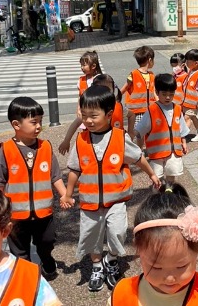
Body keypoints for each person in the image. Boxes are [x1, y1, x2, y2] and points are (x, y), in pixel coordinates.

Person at [61, 83, 161, 292]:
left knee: (117, 232)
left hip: (116, 199)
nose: (88, 121)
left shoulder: (119, 137)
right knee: (92, 235)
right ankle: (97, 266)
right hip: (89, 202)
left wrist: (151, 173)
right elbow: (74, 169)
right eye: (85, 115)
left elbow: (138, 158)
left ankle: (112, 259)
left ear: (108, 115)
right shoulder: (81, 140)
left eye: (93, 116)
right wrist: (68, 194)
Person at [0, 96, 65, 278]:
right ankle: (27, 277)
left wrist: (64, 194)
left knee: (46, 242)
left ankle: (47, 260)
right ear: (16, 124)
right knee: (20, 250)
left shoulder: (45, 147)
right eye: (34, 122)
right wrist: (0, 208)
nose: (39, 126)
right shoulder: (7, 149)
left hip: (44, 212)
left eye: (40, 121)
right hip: (16, 214)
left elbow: (54, 175)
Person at [134, 72, 190, 189]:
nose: (168, 97)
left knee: (172, 172)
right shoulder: (152, 110)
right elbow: (140, 131)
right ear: (157, 92)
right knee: (157, 175)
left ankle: (169, 189)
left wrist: (183, 142)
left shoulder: (177, 108)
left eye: (171, 94)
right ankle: (157, 194)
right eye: (164, 94)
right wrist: (139, 148)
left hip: (174, 150)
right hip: (156, 152)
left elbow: (181, 129)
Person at [58, 73, 125, 155]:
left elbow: (130, 114)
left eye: (107, 90)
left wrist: (131, 132)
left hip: (115, 144)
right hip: (93, 144)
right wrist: (66, 140)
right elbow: (75, 123)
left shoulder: (118, 106)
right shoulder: (90, 110)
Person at [120, 44, 156, 137]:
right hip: (136, 111)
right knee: (138, 133)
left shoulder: (151, 75)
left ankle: (144, 149)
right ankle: (136, 149)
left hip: (149, 109)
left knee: (148, 131)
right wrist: (115, 99)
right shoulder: (133, 74)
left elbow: (154, 92)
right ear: (150, 60)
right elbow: (124, 88)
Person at [182, 48, 198, 142]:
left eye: (188, 61)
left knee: (187, 118)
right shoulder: (191, 71)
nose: (186, 62)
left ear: (196, 63)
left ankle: (181, 136)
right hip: (187, 102)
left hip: (193, 103)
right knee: (192, 117)